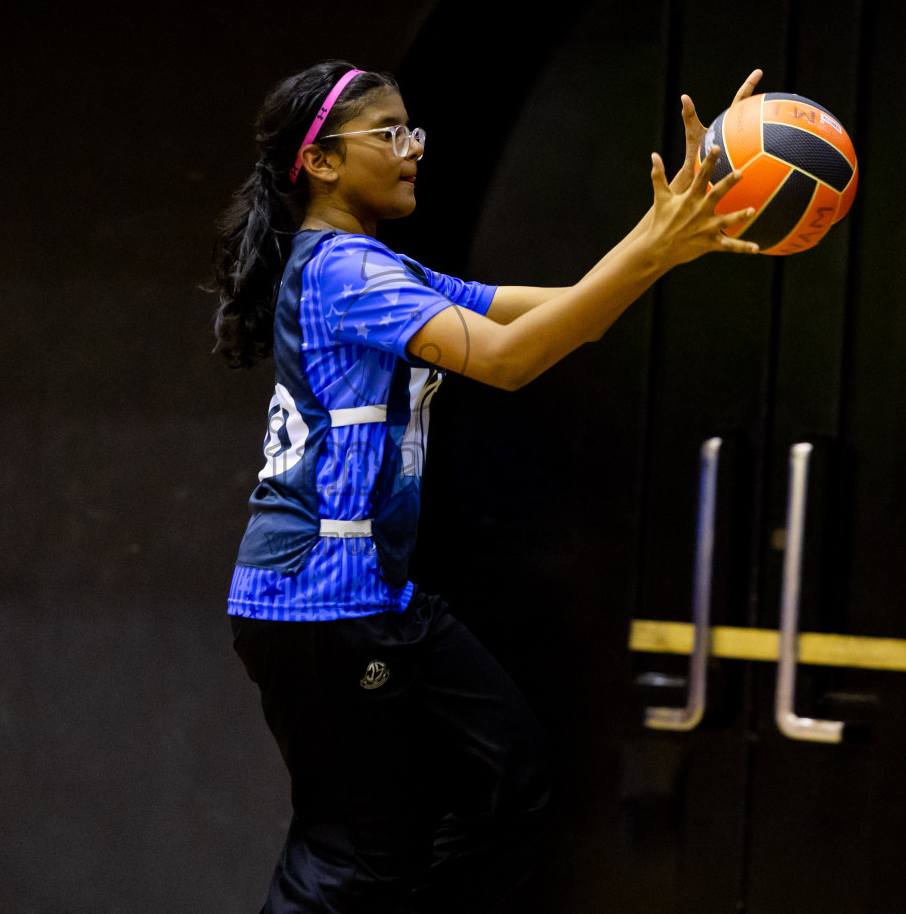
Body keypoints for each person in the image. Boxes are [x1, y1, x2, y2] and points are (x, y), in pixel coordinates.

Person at [210, 59, 760, 914]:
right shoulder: (345, 274)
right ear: (319, 162)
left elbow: (570, 311)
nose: (411, 149)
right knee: (357, 853)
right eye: (388, 134)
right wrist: (655, 245)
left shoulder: (381, 271)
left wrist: (670, 233)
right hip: (319, 604)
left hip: (361, 598)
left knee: (507, 785)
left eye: (412, 131)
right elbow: (508, 361)